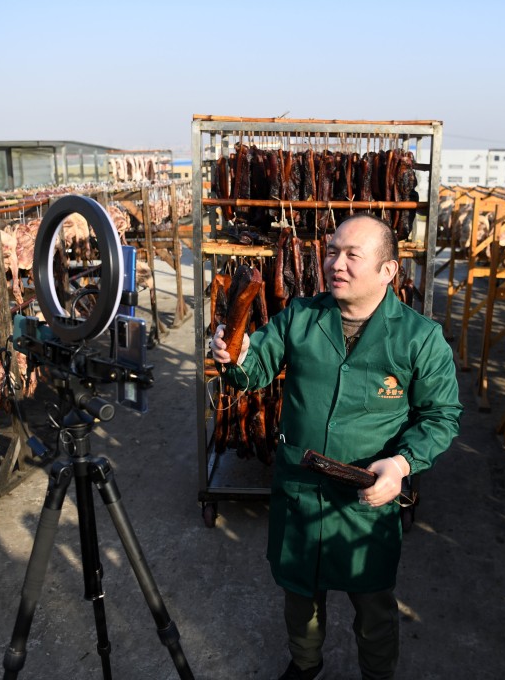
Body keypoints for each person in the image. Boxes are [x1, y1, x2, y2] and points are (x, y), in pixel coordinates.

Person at [211, 214, 462, 680]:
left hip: (365, 499)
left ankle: (377, 674)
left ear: (389, 270)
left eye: (352, 255)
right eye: (331, 252)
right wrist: (236, 357)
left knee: (374, 610)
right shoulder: (302, 316)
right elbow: (255, 369)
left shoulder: (419, 338)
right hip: (300, 488)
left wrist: (402, 464)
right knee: (299, 598)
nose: (335, 264)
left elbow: (441, 417)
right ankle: (306, 665)